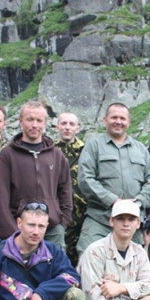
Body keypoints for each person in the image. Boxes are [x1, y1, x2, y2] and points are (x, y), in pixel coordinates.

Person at [76, 102, 150, 255]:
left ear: (128, 122)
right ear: (105, 120)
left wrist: (139, 201)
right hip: (100, 219)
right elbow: (85, 179)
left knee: (134, 268)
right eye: (114, 117)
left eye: (122, 118)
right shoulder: (93, 146)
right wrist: (113, 201)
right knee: (88, 258)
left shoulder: (140, 149)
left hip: (131, 223)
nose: (118, 122)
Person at [0, 101, 72, 249]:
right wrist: (11, 232)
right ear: (20, 121)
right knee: (19, 271)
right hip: (19, 228)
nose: (34, 125)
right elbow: (1, 196)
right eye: (30, 119)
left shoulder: (56, 155)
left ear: (45, 123)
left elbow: (65, 190)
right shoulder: (7, 155)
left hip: (52, 228)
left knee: (53, 270)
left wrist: (63, 223)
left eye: (39, 120)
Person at [54, 111, 86, 264]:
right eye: (64, 124)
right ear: (57, 127)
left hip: (82, 213)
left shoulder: (86, 152)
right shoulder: (50, 150)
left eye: (71, 124)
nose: (67, 127)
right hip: (57, 212)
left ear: (78, 128)